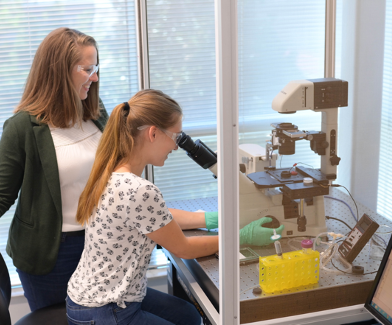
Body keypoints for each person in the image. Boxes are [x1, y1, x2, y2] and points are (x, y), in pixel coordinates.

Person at [66, 89, 284, 325]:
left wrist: (212, 219)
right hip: (106, 309)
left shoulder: (112, 172)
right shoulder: (139, 190)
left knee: (188, 315)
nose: (176, 147)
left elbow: (158, 218)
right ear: (153, 133)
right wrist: (242, 237)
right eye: (175, 136)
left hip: (90, 298)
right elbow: (184, 249)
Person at [0, 27, 109, 311]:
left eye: (96, 68)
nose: (94, 78)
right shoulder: (22, 127)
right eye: (87, 69)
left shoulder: (95, 111)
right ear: (59, 71)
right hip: (52, 255)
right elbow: (1, 193)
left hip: (102, 242)